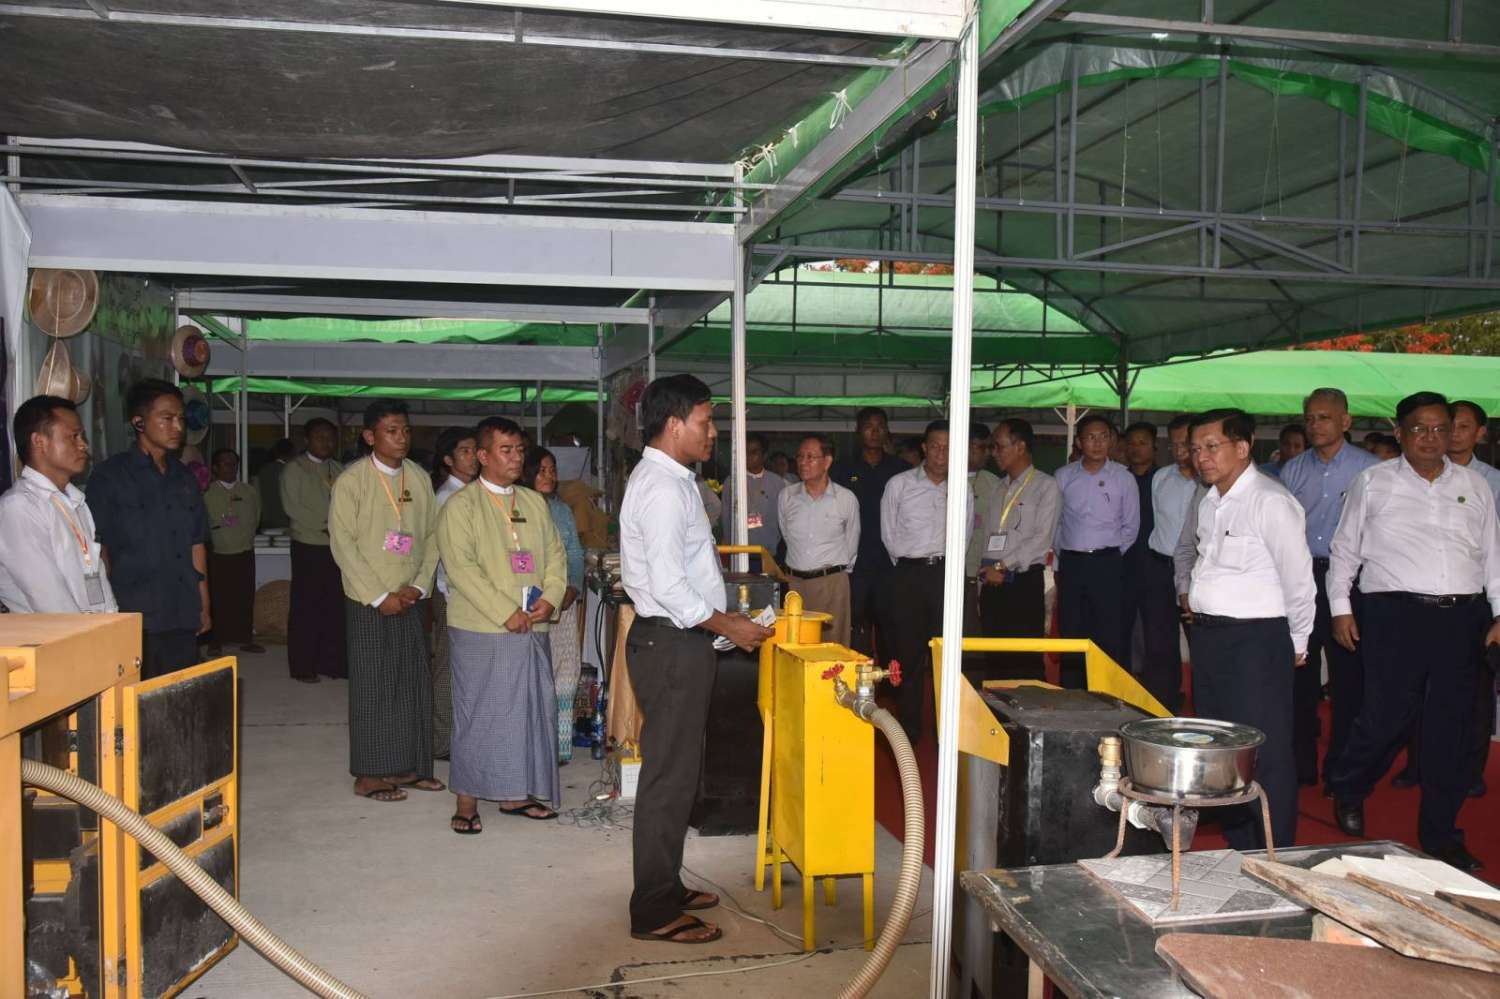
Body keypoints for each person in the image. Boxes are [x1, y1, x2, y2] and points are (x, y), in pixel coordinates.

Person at [619, 374, 773, 944]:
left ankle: (665, 883)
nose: (713, 433)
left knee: (680, 774)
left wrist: (723, 621)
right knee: (668, 779)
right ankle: (653, 910)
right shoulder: (662, 488)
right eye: (706, 423)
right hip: (670, 644)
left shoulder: (675, 480)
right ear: (674, 423)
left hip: (680, 641)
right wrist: (729, 624)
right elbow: (668, 585)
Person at [1326, 392, 1500, 872]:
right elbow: (1344, 551)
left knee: (1452, 727)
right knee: (1385, 718)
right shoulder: (1373, 482)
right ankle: (1349, 785)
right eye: (1419, 428)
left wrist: (1498, 615)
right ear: (1400, 432)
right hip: (1393, 615)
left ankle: (1441, 834)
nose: (1431, 438)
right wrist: (1340, 609)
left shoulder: (1475, 485)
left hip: (1462, 618)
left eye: (1440, 428)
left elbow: (1493, 555)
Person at [1185, 408, 1314, 850]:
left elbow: (1299, 578)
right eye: (1195, 449)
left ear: (1242, 447)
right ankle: (1240, 842)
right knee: (1223, 746)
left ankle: (1275, 851)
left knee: (1266, 752)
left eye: (1211, 446)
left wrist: (1298, 641)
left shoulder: (1270, 501)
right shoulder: (1209, 501)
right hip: (1210, 638)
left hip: (1257, 642)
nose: (1201, 457)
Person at [437, 419, 567, 833]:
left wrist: (550, 597)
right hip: (482, 626)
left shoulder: (532, 502)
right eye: (506, 451)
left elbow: (556, 555)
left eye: (519, 450)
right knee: (479, 712)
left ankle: (515, 793)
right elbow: (461, 568)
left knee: (527, 712)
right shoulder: (461, 506)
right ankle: (467, 800)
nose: (516, 458)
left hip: (532, 624)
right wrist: (504, 610)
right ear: (483, 456)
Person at [329, 399, 443, 803]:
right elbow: (342, 543)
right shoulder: (353, 480)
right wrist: (379, 596)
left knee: (413, 682)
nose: (401, 438)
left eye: (406, 430)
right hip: (368, 600)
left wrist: (418, 587)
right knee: (373, 686)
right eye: (392, 431)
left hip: (410, 597)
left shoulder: (419, 477)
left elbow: (433, 536)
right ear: (369, 436)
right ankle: (370, 774)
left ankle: (409, 766)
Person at [1276, 388, 1380, 790]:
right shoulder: (1292, 470)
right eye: (1310, 418)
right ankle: (1301, 764)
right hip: (1302, 579)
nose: (1315, 425)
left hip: (1351, 583)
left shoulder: (1370, 470)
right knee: (1298, 676)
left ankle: (1341, 769)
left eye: (1324, 417)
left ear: (1346, 422)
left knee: (1348, 680)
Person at [87, 379, 209, 679]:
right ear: (139, 422)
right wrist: (104, 612)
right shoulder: (110, 477)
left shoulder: (184, 478)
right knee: (135, 698)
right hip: (134, 611)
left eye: (180, 418)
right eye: (166, 418)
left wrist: (204, 604)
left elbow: (196, 544)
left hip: (181, 609)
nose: (177, 427)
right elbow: (99, 550)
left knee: (179, 694)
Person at [879, 419, 975, 741]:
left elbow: (964, 536)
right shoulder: (899, 485)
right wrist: (909, 567)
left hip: (946, 575)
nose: (941, 453)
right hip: (908, 575)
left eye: (948, 447)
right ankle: (909, 729)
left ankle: (946, 732)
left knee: (948, 657)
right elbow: (888, 535)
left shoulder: (962, 488)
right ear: (924, 447)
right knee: (908, 654)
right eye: (935, 446)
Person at [0, 396, 117, 615]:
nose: (84, 444)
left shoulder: (76, 502)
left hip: (91, 630)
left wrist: (112, 624)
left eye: (82, 436)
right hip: (54, 634)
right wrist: (90, 633)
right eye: (74, 436)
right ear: (39, 442)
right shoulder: (19, 507)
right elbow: (48, 599)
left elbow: (97, 576)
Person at [1052, 414, 1138, 687]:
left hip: (1108, 563)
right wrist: (1063, 557)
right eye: (1091, 437)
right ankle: (1072, 694)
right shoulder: (1063, 476)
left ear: (1111, 441)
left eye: (1103, 437)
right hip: (1072, 563)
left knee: (1108, 632)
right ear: (1079, 442)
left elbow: (1131, 526)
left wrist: (1110, 555)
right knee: (1072, 630)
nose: (1098, 443)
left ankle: (1106, 692)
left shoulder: (1124, 477)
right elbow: (1056, 523)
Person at [976, 418, 1060, 681]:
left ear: (1020, 447)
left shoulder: (1046, 486)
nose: (994, 452)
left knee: (1024, 661)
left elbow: (1041, 539)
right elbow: (989, 536)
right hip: (992, 583)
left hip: (1023, 583)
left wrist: (1002, 566)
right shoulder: (998, 487)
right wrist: (987, 573)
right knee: (994, 661)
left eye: (999, 446)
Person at [523, 445, 587, 765]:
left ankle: (560, 746)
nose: (549, 476)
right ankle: (533, 744)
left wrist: (573, 585)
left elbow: (574, 552)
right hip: (530, 604)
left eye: (552, 470)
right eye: (541, 471)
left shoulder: (561, 510)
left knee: (566, 671)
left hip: (563, 601)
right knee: (533, 674)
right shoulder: (516, 507)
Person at [830, 407, 909, 656]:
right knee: (855, 627)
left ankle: (889, 678)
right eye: (868, 427)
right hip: (856, 564)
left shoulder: (902, 470)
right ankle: (855, 677)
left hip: (891, 564)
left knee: (890, 629)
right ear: (858, 431)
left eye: (879, 427)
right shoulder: (841, 470)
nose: (874, 432)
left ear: (887, 431)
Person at [778, 433, 860, 647]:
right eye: (800, 456)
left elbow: (852, 542)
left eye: (810, 457)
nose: (803, 462)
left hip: (831, 583)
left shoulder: (845, 498)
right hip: (795, 584)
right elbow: (786, 535)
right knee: (797, 646)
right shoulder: (786, 496)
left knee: (833, 648)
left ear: (827, 461)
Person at [281, 418, 347, 683]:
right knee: (306, 607)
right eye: (320, 437)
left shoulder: (339, 469)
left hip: (336, 547)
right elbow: (292, 508)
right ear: (307, 440)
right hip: (308, 545)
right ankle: (303, 666)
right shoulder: (294, 469)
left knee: (334, 606)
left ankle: (331, 663)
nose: (326, 442)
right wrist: (326, 525)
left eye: (330, 437)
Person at [1142, 415, 1198, 712]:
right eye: (1173, 444)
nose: (1179, 450)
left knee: (1199, 642)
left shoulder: (1210, 481)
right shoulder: (1161, 478)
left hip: (1196, 572)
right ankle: (1162, 706)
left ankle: (1203, 706)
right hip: (1160, 568)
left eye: (1185, 444)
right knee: (1159, 643)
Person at [429, 426, 479, 759]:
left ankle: (462, 735)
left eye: (475, 450)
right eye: (465, 451)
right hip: (451, 592)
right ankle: (442, 740)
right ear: (448, 460)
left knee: (466, 667)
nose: (473, 457)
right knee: (448, 666)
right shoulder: (447, 497)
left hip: (470, 592)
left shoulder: (474, 492)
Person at [203, 449, 263, 656]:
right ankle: (215, 641)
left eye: (234, 463)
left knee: (244, 597)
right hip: (219, 553)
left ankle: (245, 638)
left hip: (244, 551)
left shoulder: (249, 491)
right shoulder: (207, 493)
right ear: (215, 468)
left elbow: (256, 517)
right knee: (219, 599)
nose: (231, 467)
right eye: (225, 463)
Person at [1120, 421, 1158, 673]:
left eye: (1142, 443)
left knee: (1156, 631)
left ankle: (1158, 687)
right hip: (1123, 565)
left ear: (1154, 447)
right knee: (1122, 628)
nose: (1136, 448)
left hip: (1156, 566)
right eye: (1131, 443)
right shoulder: (1118, 479)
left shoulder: (1163, 479)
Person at [721, 432, 785, 569]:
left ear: (764, 456)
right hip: (739, 554)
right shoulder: (732, 481)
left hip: (769, 555)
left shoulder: (777, 483)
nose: (748, 456)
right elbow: (726, 519)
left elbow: (783, 520)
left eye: (754, 452)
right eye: (745, 452)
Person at [1449, 400, 1500, 503]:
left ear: (1480, 432)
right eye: (1449, 425)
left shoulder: (1493, 480)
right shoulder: (1422, 472)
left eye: (1463, 426)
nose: (1454, 432)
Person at [255, 438, 293, 530]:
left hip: (266, 520)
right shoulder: (291, 471)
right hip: (286, 521)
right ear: (291, 453)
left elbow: (257, 496)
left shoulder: (263, 470)